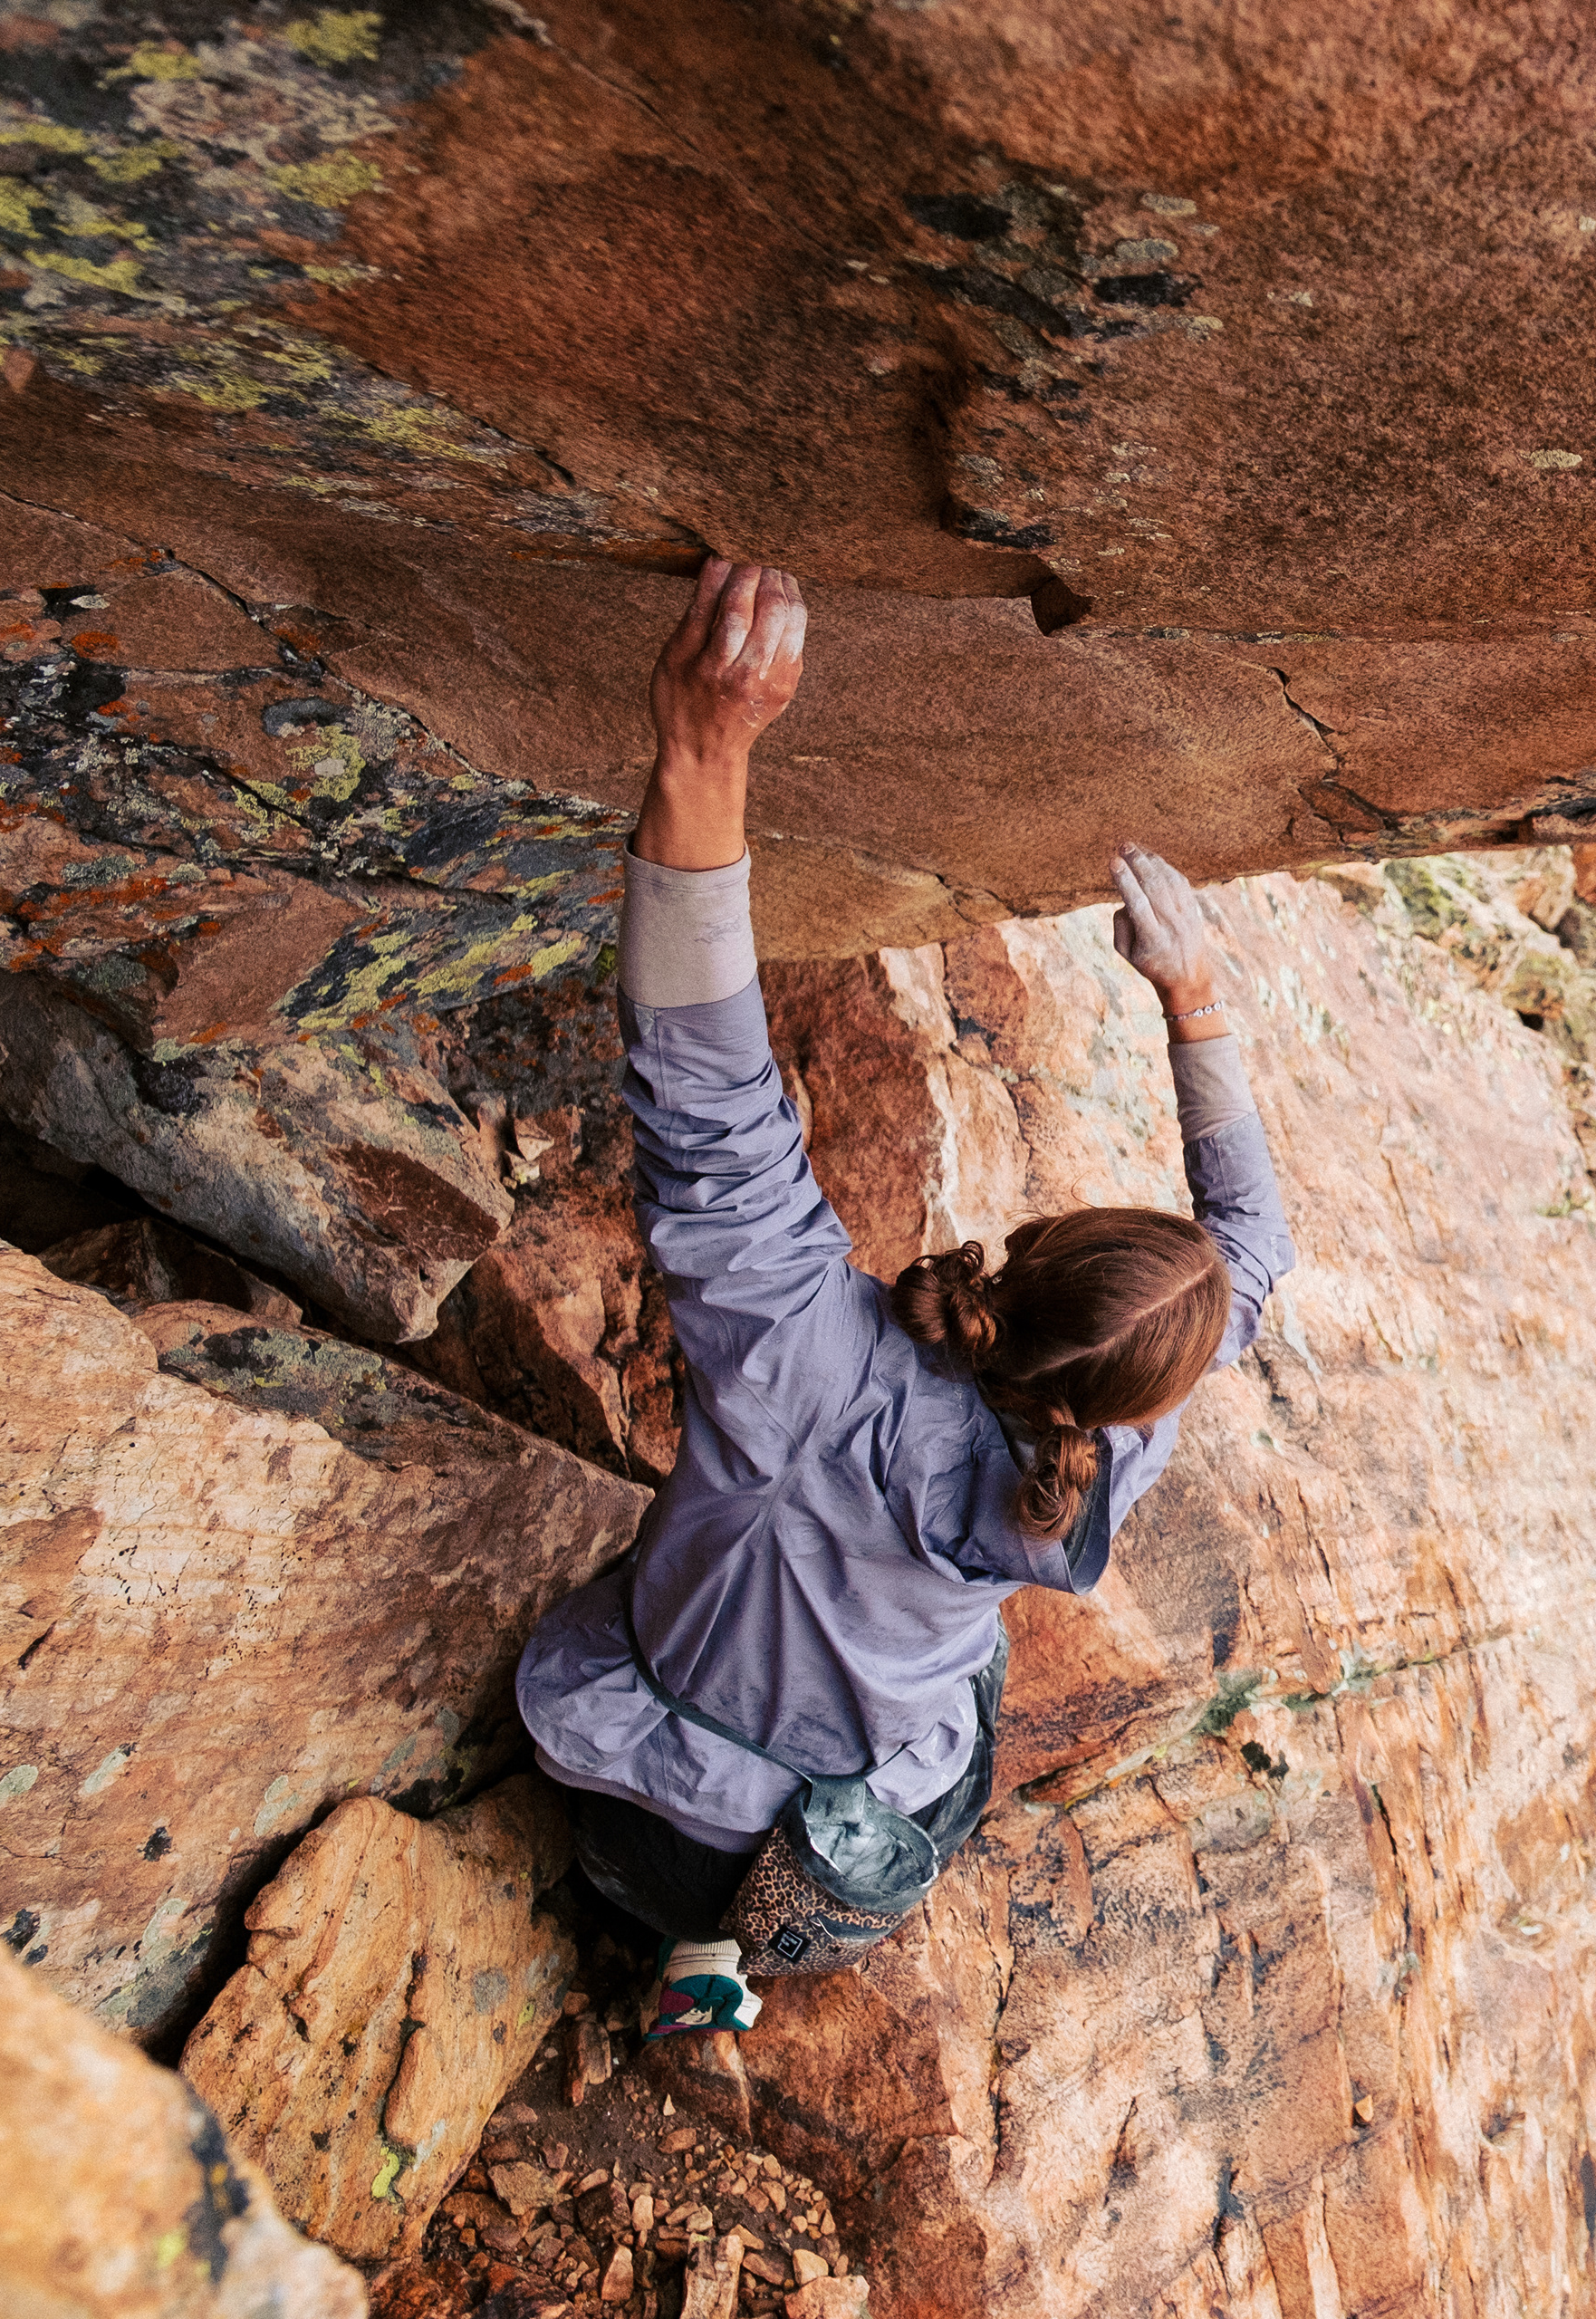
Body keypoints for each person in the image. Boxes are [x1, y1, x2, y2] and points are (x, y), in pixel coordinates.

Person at [515, 558, 1293, 2036]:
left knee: (679, 1637)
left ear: (1031, 1250)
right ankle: (730, 1968)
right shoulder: (1117, 1449)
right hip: (858, 1867)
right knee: (968, 1680)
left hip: (643, 1825)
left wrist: (704, 751)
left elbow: (709, 1097)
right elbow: (1250, 1250)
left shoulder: (812, 1361)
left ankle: (678, 1927)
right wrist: (1201, 1006)